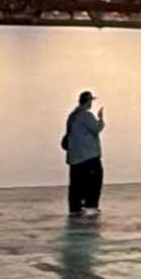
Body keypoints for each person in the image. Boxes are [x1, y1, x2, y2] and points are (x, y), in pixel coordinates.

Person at [60, 91, 105, 221]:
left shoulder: (72, 116)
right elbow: (97, 128)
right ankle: (92, 213)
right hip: (89, 158)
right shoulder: (86, 115)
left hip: (74, 159)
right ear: (88, 101)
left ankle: (74, 213)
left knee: (75, 188)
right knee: (94, 185)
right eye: (91, 101)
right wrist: (100, 118)